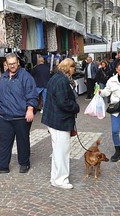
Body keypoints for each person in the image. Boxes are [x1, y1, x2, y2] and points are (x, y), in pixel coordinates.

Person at [0, 53, 38, 174]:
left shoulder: (26, 77)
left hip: (21, 116)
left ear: (18, 63)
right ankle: (2, 165)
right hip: (4, 117)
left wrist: (30, 109)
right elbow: (0, 94)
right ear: (6, 64)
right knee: (4, 142)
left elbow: (32, 94)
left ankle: (24, 163)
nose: (12, 66)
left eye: (14, 63)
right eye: (9, 64)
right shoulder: (3, 77)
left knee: (23, 141)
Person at [41, 58, 80, 189]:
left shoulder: (56, 78)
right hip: (59, 120)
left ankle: (56, 178)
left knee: (58, 150)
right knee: (61, 151)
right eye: (73, 67)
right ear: (69, 68)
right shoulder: (62, 81)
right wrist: (76, 107)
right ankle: (61, 179)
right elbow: (63, 102)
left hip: (55, 119)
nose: (74, 70)